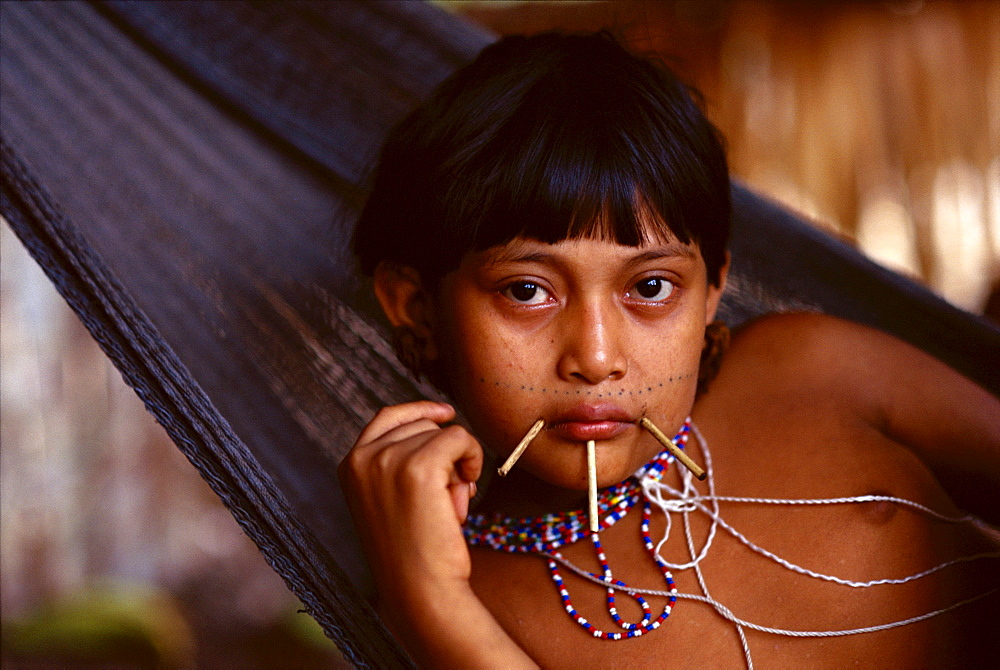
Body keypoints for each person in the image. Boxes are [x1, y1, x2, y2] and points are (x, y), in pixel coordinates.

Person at [339, 32, 1000, 667]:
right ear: (417, 305)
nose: (596, 359)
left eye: (651, 286)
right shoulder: (463, 604)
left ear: (713, 288)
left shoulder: (813, 374)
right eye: (526, 291)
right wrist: (434, 600)